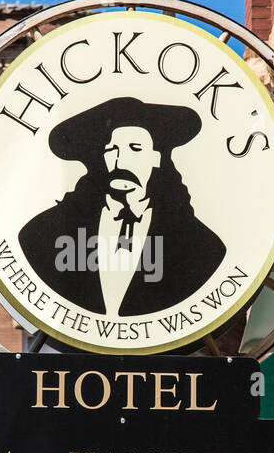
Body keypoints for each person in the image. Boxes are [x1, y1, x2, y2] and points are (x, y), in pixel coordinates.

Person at [18, 96, 226, 315]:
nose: (120, 160)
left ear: (156, 158)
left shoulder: (201, 246)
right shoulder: (42, 235)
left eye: (135, 148)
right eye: (111, 150)